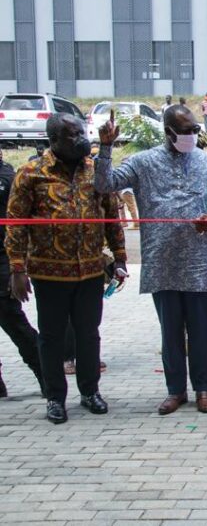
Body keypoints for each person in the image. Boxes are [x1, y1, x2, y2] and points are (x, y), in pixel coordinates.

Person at [95, 105, 207, 416]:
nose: (192, 136)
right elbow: (104, 185)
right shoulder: (144, 162)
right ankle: (175, 391)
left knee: (199, 332)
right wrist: (105, 147)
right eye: (186, 131)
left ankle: (203, 389)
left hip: (198, 261)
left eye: (195, 130)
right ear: (168, 132)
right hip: (161, 261)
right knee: (170, 333)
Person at [5, 115, 125, 423]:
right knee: (51, 337)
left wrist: (121, 259)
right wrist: (17, 270)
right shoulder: (31, 173)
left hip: (89, 270)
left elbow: (111, 215)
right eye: (73, 135)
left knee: (89, 334)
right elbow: (15, 225)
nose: (81, 139)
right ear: (54, 140)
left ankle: (90, 391)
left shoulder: (95, 171)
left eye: (82, 133)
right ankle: (55, 397)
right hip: (49, 273)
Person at [0, 148, 44, 399]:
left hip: (4, 257)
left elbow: (18, 225)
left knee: (13, 321)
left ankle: (45, 376)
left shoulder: (8, 178)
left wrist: (18, 267)